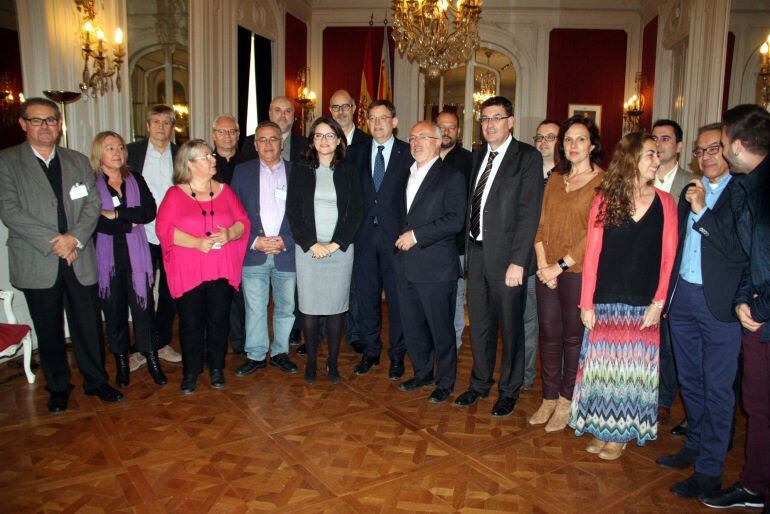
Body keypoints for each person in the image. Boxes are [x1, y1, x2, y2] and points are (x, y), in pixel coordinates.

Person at [0, 97, 122, 412]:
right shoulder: (7, 161)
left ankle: (96, 382)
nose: (45, 126)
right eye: (37, 120)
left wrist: (74, 240)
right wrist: (57, 242)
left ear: (59, 124)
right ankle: (58, 387)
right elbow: (10, 211)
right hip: (37, 259)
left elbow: (92, 204)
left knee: (88, 325)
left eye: (51, 120)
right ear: (23, 124)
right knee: (49, 328)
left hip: (78, 256)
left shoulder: (77, 160)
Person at [570, 131, 678, 461]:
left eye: (657, 155)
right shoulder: (604, 200)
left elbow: (668, 258)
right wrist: (586, 302)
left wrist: (658, 303)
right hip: (606, 300)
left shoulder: (666, 203)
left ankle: (620, 434)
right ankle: (603, 429)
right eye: (649, 154)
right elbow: (592, 254)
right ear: (631, 159)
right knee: (603, 371)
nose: (656, 159)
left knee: (632, 374)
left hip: (643, 304)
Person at [654, 123, 747, 499]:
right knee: (690, 381)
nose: (706, 156)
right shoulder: (690, 192)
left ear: (729, 152)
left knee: (717, 388)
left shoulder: (740, 195)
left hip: (720, 306)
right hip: (684, 300)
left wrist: (702, 212)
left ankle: (710, 469)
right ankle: (694, 444)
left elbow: (737, 250)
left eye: (714, 149)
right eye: (701, 150)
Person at [453, 96, 544, 417]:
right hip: (476, 255)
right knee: (479, 324)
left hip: (509, 261)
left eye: (496, 117)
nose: (489, 124)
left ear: (510, 121)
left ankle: (509, 389)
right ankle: (479, 383)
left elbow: (529, 213)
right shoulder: (478, 156)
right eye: (484, 118)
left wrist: (519, 261)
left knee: (511, 327)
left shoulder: (527, 158)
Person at [700, 104, 770, 510]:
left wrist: (758, 310)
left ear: (738, 145)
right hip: (756, 311)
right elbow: (753, 257)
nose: (720, 153)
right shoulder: (751, 185)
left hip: (763, 321)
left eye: (723, 144)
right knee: (757, 406)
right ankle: (755, 483)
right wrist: (746, 297)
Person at [155, 140, 250, 394]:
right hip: (189, 271)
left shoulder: (225, 191)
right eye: (206, 156)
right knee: (190, 324)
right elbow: (164, 230)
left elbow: (243, 221)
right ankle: (190, 372)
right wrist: (196, 242)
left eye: (211, 155)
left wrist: (230, 234)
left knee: (219, 321)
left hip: (220, 268)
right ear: (189, 164)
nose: (213, 159)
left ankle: (217, 368)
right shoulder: (174, 195)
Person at [529, 116, 604, 432]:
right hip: (547, 271)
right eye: (569, 140)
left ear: (593, 145)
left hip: (576, 272)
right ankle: (547, 398)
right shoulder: (555, 179)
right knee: (549, 335)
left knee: (573, 339)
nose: (573, 145)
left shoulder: (603, 182)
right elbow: (541, 224)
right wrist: (544, 265)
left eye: (581, 139)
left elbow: (594, 233)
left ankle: (566, 401)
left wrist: (559, 266)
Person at [286, 117, 362, 384]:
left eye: (330, 135)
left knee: (336, 308)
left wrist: (335, 244)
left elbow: (356, 212)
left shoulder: (349, 170)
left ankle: (332, 363)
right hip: (309, 251)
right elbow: (293, 211)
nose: (324, 140)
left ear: (339, 140)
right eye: (319, 135)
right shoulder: (301, 169)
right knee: (308, 307)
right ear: (312, 141)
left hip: (339, 251)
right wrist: (311, 244)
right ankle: (311, 363)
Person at [395, 121, 466, 403]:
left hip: (436, 267)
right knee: (412, 326)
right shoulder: (407, 174)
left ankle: (445, 381)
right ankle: (422, 372)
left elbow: (455, 220)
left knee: (441, 329)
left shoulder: (452, 176)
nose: (415, 142)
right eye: (412, 138)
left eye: (423, 137)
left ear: (438, 141)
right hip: (405, 265)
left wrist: (416, 235)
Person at [91, 131, 166, 388]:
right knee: (114, 313)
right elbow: (92, 218)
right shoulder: (89, 182)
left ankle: (152, 359)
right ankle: (122, 363)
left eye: (120, 147)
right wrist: (126, 221)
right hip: (107, 260)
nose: (117, 152)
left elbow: (148, 211)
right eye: (110, 148)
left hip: (138, 259)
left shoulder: (135, 178)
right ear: (99, 152)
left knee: (144, 311)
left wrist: (114, 214)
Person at [348, 99, 414, 379]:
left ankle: (397, 354)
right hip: (363, 239)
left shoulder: (409, 153)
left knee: (398, 301)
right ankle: (371, 350)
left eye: (383, 118)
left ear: (395, 121)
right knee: (366, 298)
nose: (377, 123)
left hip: (396, 241)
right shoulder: (354, 152)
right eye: (372, 118)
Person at [232, 121, 299, 376]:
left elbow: (305, 215)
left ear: (282, 143)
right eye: (263, 139)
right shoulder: (242, 172)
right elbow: (233, 214)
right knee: (255, 308)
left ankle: (280, 353)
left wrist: (287, 240)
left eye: (273, 139)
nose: (268, 144)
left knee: (285, 307)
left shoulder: (298, 172)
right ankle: (256, 354)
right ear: (255, 144)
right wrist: (253, 240)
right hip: (254, 252)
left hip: (286, 252)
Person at [126, 104, 182, 368]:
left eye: (167, 123)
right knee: (142, 290)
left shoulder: (181, 153)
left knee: (171, 291)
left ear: (173, 127)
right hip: (142, 233)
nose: (161, 127)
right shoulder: (132, 152)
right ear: (147, 126)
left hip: (174, 235)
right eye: (156, 122)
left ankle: (161, 343)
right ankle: (142, 346)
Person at [651, 118, 695, 424]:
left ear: (679, 146)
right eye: (655, 138)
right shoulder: (639, 179)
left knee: (668, 341)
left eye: (666, 139)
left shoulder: (691, 185)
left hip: (675, 275)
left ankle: (663, 398)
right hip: (641, 272)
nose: (659, 144)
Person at [328, 88, 371, 354]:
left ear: (355, 107)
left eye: (345, 106)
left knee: (355, 284)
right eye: (335, 107)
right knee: (324, 280)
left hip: (358, 225)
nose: (341, 112)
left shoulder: (367, 143)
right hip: (325, 224)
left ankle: (354, 333)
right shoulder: (322, 141)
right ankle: (319, 330)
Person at [525, 118, 561, 389]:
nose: (543, 142)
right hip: (526, 261)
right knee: (527, 323)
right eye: (539, 137)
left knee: (555, 327)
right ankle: (525, 377)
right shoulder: (525, 170)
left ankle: (559, 383)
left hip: (560, 265)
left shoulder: (569, 174)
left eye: (550, 137)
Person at [436, 110, 473, 350]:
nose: (447, 132)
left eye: (451, 127)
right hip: (427, 244)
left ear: (458, 131)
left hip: (457, 243)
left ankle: (454, 344)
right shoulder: (421, 157)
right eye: (442, 127)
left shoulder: (470, 161)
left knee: (456, 296)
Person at [211, 115, 245, 355]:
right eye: (222, 132)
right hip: (214, 237)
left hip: (242, 235)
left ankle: (240, 342)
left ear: (238, 135)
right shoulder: (204, 163)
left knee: (239, 293)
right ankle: (215, 344)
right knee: (216, 294)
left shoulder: (249, 161)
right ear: (214, 135)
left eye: (232, 131)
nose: (227, 136)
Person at [240, 96, 310, 165]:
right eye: (278, 110)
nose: (283, 115)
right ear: (270, 114)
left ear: (293, 114)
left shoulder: (305, 145)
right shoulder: (250, 143)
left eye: (288, 111)